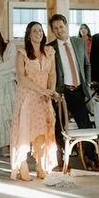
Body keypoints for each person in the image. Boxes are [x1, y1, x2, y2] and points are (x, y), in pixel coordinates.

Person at [9, 21, 59, 181]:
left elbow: (52, 74)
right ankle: (22, 166)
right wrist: (41, 90)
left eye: (40, 30)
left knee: (42, 132)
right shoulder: (22, 53)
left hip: (43, 97)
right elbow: (21, 78)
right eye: (34, 31)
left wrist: (50, 91)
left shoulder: (49, 51)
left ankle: (40, 166)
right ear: (28, 35)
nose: (38, 33)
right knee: (24, 131)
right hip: (27, 96)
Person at [49, 14, 94, 166]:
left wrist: (86, 83)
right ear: (52, 31)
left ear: (66, 25)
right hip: (61, 92)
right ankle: (59, 158)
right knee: (59, 126)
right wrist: (55, 91)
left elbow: (87, 65)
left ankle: (90, 158)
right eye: (55, 28)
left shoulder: (79, 42)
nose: (59, 30)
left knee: (85, 125)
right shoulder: (50, 48)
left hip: (78, 91)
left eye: (61, 26)